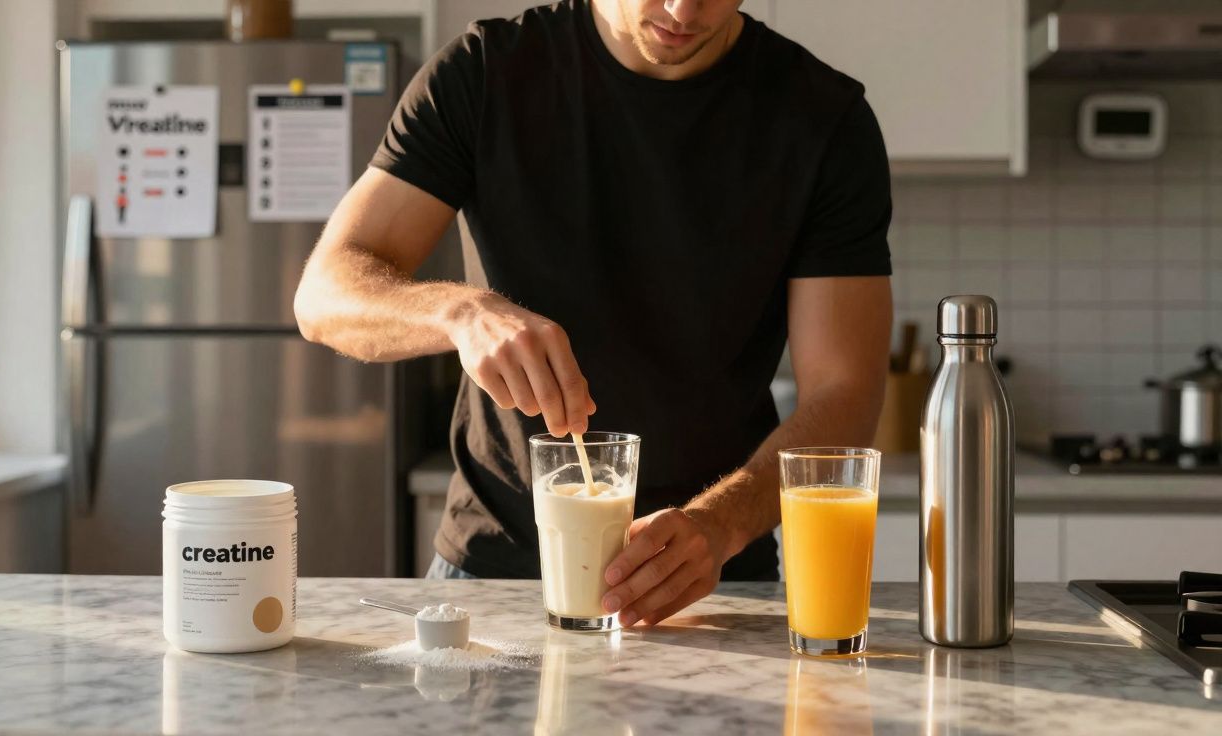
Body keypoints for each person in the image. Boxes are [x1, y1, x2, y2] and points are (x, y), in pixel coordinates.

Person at [294, 0, 892, 627]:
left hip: (713, 581)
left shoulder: (822, 118)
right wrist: (460, 311)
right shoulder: (486, 71)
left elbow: (844, 391)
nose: (683, 9)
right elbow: (325, 293)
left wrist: (720, 524)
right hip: (493, 573)